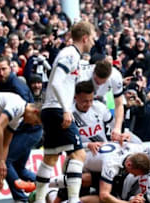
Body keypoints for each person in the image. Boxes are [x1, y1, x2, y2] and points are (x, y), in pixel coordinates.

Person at [35, 21, 96, 203]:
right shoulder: (70, 54)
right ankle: (73, 200)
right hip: (57, 108)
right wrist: (66, 109)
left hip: (50, 108)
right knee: (79, 154)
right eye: (92, 38)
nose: (93, 42)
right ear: (85, 38)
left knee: (51, 158)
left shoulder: (70, 55)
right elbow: (56, 83)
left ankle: (38, 200)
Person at [0, 55, 44, 202]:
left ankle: (21, 199)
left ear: (11, 68)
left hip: (29, 129)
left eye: (4, 69)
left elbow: (23, 115)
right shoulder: (3, 83)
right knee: (19, 168)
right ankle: (49, 185)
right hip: (26, 130)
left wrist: (0, 123)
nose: (1, 73)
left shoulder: (17, 86)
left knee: (5, 161)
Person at [79, 59, 127, 144]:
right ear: (94, 73)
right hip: (80, 101)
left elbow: (119, 104)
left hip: (99, 100)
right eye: (97, 81)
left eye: (103, 81)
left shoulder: (115, 76)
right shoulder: (83, 75)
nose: (99, 84)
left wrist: (117, 128)